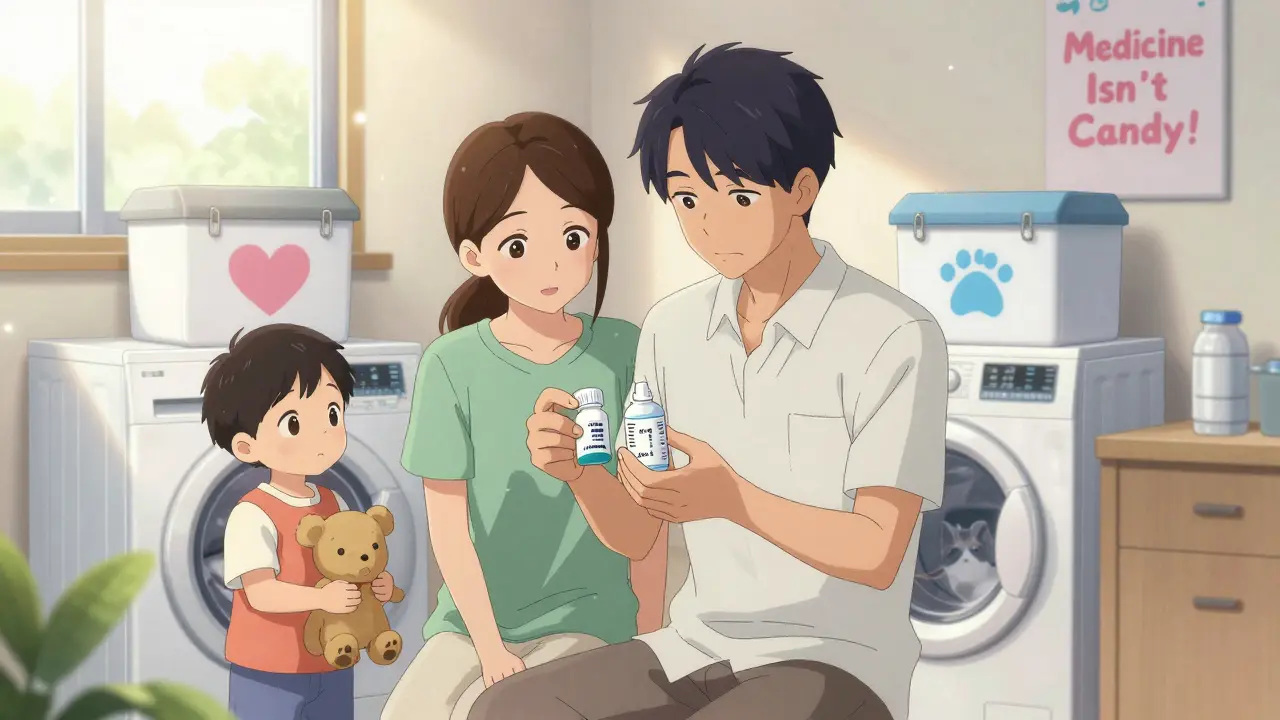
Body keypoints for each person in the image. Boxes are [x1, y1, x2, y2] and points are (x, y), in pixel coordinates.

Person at [471, 43, 949, 720]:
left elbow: (876, 551)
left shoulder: (892, 334)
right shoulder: (673, 327)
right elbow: (639, 534)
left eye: (739, 195)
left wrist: (735, 500)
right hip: (691, 649)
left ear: (803, 191)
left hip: (835, 661)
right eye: (687, 197)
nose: (708, 224)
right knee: (507, 712)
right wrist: (580, 471)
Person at [380, 112, 667, 720]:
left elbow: (651, 519)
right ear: (473, 254)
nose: (553, 266)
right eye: (518, 244)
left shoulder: (626, 351)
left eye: (572, 237)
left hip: (591, 620)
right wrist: (488, 646)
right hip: (469, 621)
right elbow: (449, 527)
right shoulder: (450, 364)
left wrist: (653, 633)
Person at [203, 324, 398, 720]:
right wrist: (322, 599)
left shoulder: (333, 500)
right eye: (293, 423)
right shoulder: (251, 513)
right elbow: (261, 593)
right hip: (268, 668)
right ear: (246, 445)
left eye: (331, 414)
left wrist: (379, 585)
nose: (323, 435)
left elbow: (354, 563)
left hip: (331, 657)